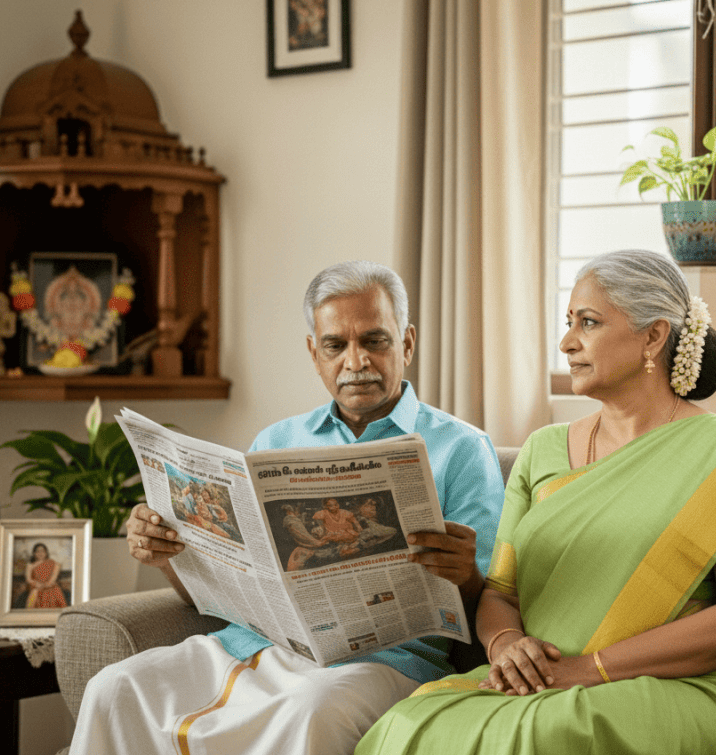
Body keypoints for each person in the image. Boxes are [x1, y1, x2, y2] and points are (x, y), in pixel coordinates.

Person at [356, 250, 716, 755]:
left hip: (691, 689)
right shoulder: (542, 450)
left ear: (653, 337)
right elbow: (500, 595)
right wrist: (508, 647)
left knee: (544, 734)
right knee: (407, 724)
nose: (568, 342)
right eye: (568, 323)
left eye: (588, 323)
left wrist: (588, 669)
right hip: (545, 680)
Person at [69, 260, 505, 755]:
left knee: (314, 711)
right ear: (313, 353)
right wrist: (168, 553)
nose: (355, 361)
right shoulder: (276, 441)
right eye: (335, 345)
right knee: (112, 687)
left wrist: (465, 573)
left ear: (405, 343)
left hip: (384, 665)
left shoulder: (462, 448)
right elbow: (213, 597)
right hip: (250, 649)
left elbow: (485, 608)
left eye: (374, 341)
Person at [24, 542, 67, 608]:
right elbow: (28, 579)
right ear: (34, 553)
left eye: (43, 551)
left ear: (46, 553)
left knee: (54, 591)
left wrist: (45, 585)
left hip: (51, 586)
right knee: (34, 593)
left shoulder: (54, 563)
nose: (40, 553)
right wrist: (37, 584)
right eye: (38, 551)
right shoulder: (30, 565)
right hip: (36, 586)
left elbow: (53, 579)